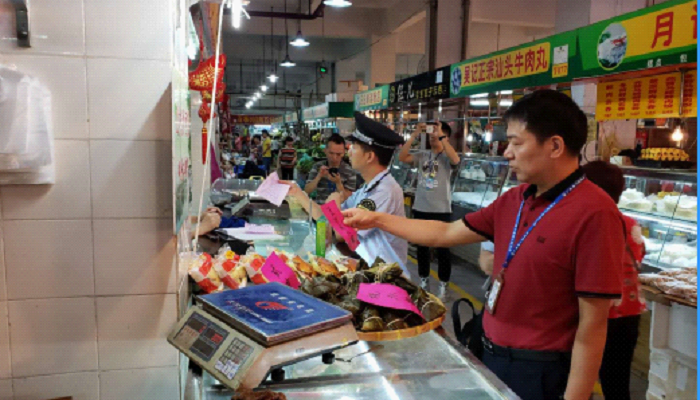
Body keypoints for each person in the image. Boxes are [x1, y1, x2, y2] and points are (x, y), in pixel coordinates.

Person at [342, 90, 626, 400]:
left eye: (517, 143)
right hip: (489, 353)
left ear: (555, 146)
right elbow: (445, 233)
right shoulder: (514, 200)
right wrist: (377, 220)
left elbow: (592, 329)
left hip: (541, 372)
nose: (507, 152)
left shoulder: (595, 214)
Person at [284, 112, 409, 276]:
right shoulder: (368, 188)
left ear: (369, 156)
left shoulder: (384, 191)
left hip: (383, 279)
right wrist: (297, 192)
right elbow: (325, 215)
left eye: (354, 148)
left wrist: (335, 201)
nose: (349, 153)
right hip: (369, 271)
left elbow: (343, 234)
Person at [582, 161, 645, 400]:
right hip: (629, 311)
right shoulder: (631, 223)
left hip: (595, 313)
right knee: (617, 382)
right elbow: (639, 254)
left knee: (581, 378)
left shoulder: (590, 222)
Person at [399, 121, 461, 299]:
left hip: (441, 209)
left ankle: (443, 283)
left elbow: (456, 160)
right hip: (421, 207)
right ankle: (424, 279)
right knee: (422, 248)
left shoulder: (447, 156)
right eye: (431, 131)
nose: (433, 134)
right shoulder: (422, 155)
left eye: (437, 131)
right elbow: (402, 158)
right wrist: (414, 134)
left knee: (443, 249)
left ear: (445, 136)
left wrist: (440, 134)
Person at [304, 134, 357, 202]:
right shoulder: (317, 167)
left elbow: (349, 200)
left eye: (338, 154)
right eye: (331, 153)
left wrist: (338, 183)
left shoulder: (350, 172)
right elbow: (307, 191)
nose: (334, 158)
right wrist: (318, 176)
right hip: (320, 209)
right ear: (325, 151)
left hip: (340, 211)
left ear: (344, 153)